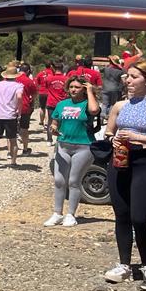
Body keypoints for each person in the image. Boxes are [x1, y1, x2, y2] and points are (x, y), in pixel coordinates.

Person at [103, 59, 146, 284]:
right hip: (119, 161)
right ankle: (124, 263)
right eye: (127, 76)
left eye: (134, 77)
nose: (127, 80)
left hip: (144, 161)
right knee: (122, 215)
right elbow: (108, 132)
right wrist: (113, 138)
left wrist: (137, 137)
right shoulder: (119, 105)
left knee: (140, 217)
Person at [46, 76, 100, 227]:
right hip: (63, 145)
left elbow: (94, 110)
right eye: (71, 87)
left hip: (83, 146)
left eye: (77, 87)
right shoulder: (62, 104)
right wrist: (54, 128)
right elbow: (55, 121)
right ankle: (57, 213)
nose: (74, 90)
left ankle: (71, 214)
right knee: (59, 180)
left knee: (73, 181)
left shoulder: (87, 104)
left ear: (83, 89)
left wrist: (90, 90)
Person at [15, 63, 38, 156]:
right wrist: (31, 100)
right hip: (24, 107)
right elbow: (35, 94)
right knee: (24, 129)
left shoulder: (12, 79)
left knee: (11, 130)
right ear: (28, 71)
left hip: (12, 107)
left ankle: (10, 152)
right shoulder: (28, 81)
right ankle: (25, 149)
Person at [44, 62, 69, 146]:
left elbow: (47, 87)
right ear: (62, 69)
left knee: (50, 122)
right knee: (63, 122)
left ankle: (49, 139)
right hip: (62, 103)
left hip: (51, 102)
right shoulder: (66, 79)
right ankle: (61, 138)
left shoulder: (48, 79)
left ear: (54, 69)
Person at [35, 61, 53, 129]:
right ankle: (46, 123)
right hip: (49, 92)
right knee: (48, 108)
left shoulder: (40, 73)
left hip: (42, 92)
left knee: (42, 108)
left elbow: (37, 83)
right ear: (51, 66)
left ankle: (41, 121)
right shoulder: (52, 73)